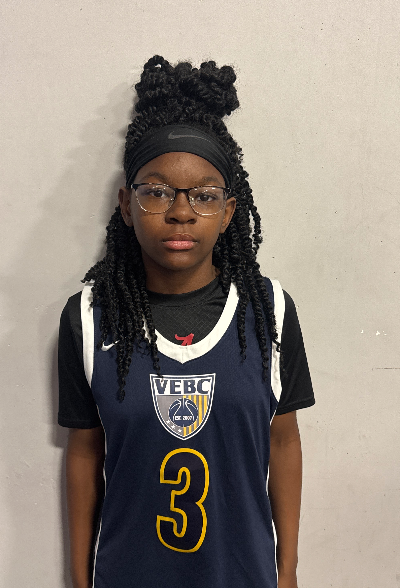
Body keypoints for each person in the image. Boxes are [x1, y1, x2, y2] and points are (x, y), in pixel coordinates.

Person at [58, 55, 314, 588]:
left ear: (228, 212)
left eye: (204, 195)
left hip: (241, 574)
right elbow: (84, 452)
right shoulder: (88, 316)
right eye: (156, 192)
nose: (180, 212)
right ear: (126, 205)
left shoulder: (269, 311)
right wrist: (80, 580)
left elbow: (284, 442)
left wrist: (286, 571)